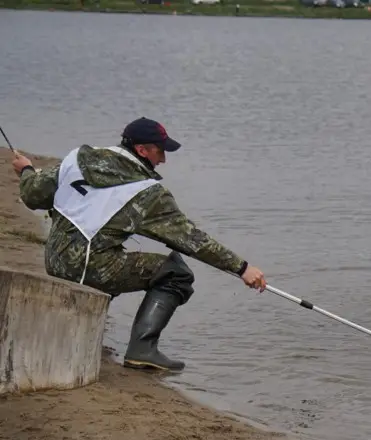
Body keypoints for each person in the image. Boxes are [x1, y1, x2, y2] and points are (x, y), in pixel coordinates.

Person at [10, 117, 267, 372]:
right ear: (141, 150)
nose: (163, 159)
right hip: (87, 268)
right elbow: (193, 241)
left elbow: (33, 195)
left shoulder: (76, 159)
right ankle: (142, 350)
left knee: (113, 252)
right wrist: (241, 268)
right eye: (160, 151)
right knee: (176, 273)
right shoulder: (147, 192)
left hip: (54, 259)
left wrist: (27, 170)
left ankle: (82, 326)